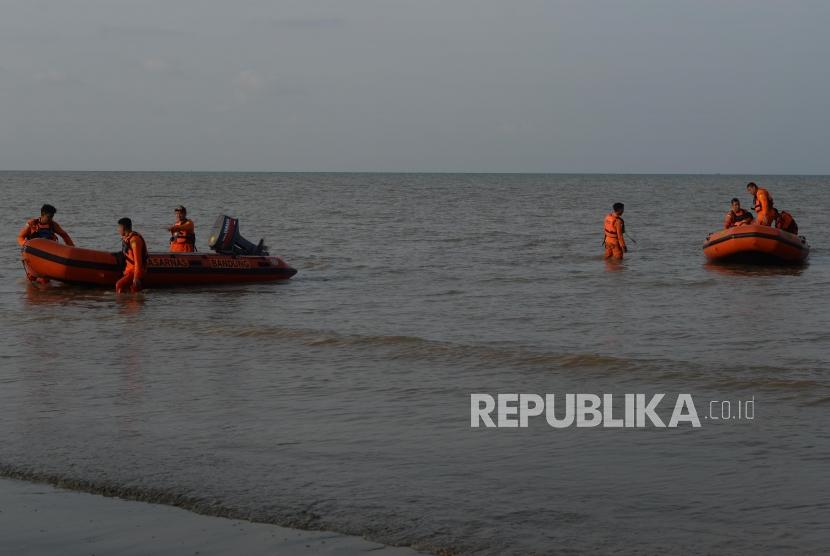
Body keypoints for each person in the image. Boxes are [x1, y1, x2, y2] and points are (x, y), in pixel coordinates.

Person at [116, 218, 148, 294]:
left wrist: (136, 277)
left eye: (119, 227)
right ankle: (128, 302)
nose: (118, 230)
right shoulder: (127, 238)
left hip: (136, 271)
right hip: (129, 270)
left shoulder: (134, 241)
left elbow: (138, 261)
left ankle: (121, 303)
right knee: (132, 291)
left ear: (123, 228)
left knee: (119, 285)